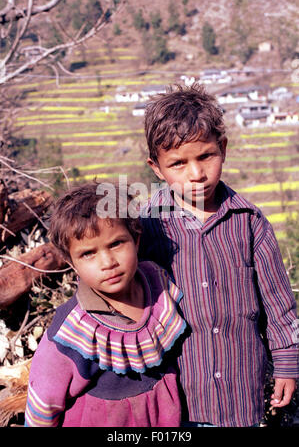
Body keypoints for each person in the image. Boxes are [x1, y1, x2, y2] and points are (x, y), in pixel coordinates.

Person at [138, 83, 299, 427]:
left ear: (222, 148)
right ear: (157, 168)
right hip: (177, 396)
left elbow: (278, 303)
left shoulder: (249, 222)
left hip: (241, 394)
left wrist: (286, 363)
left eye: (205, 156)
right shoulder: (146, 226)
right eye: (178, 163)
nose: (196, 174)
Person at [24, 182, 187, 427]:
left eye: (116, 244)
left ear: (136, 240)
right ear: (72, 262)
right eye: (88, 253)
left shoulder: (159, 287)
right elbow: (44, 403)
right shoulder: (73, 332)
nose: (108, 262)